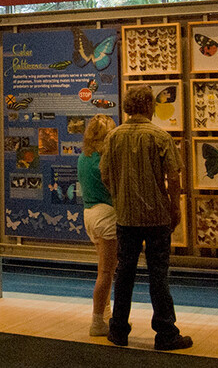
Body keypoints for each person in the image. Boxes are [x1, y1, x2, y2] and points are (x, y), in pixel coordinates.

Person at [100, 85, 192, 351]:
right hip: (156, 217)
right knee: (158, 275)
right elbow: (173, 176)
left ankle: (118, 330)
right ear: (149, 105)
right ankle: (165, 333)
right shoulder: (160, 136)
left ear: (129, 106)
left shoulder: (113, 137)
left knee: (124, 273)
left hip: (126, 218)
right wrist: (175, 208)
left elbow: (105, 174)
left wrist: (119, 196)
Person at [78, 114, 118, 337]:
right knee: (106, 272)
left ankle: (106, 317)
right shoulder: (104, 160)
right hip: (106, 215)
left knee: (104, 270)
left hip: (89, 214)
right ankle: (97, 321)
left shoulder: (84, 157)